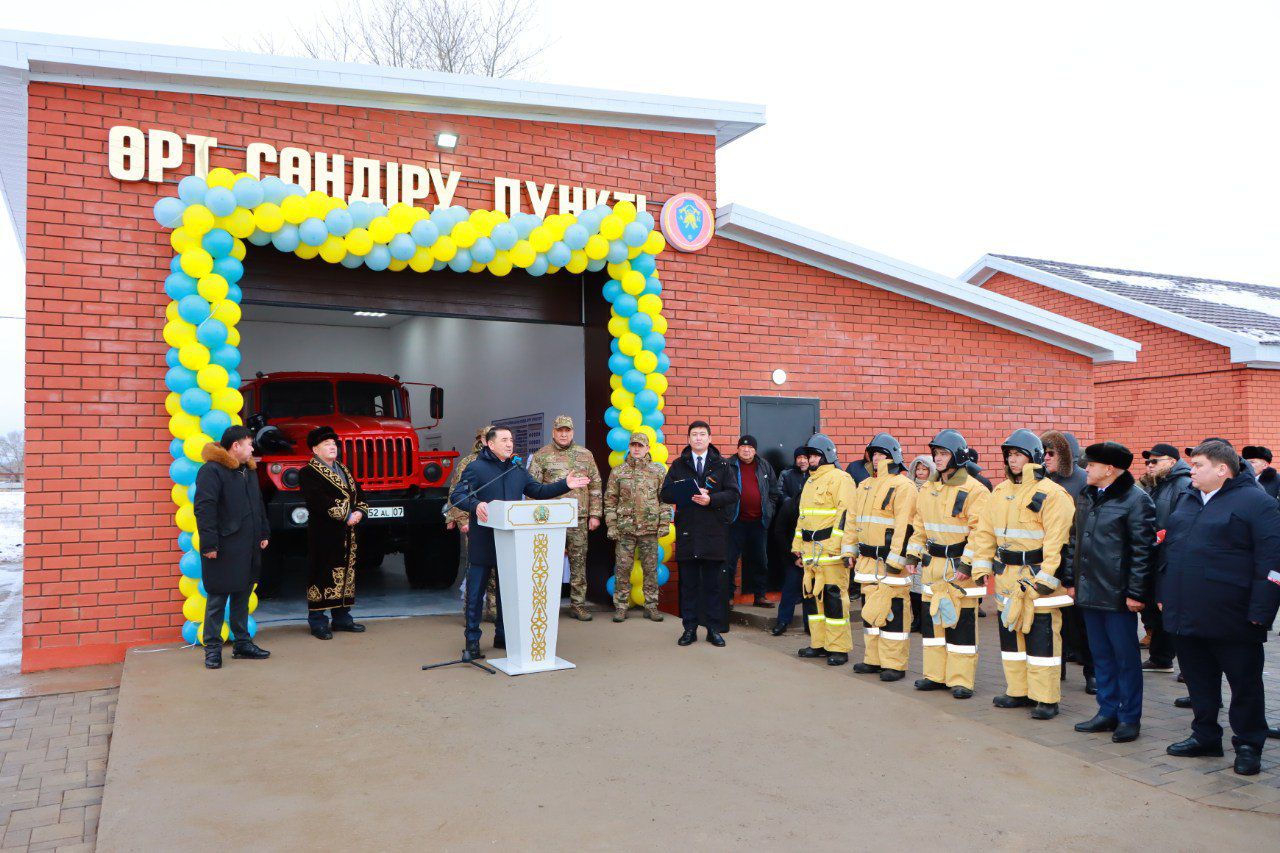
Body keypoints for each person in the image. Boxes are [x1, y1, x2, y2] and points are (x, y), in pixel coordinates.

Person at [1160, 439, 1280, 776]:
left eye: (1198, 466)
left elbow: (1271, 562)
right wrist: (1164, 592)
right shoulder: (1189, 498)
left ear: (1222, 469)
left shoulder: (1257, 503)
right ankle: (1205, 736)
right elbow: (1170, 549)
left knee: (1244, 684)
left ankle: (1248, 744)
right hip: (1186, 611)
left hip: (1234, 615)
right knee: (1199, 681)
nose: (1192, 472)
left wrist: (1261, 612)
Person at [450, 426, 588, 660]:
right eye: (504, 440)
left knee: (509, 593)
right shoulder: (476, 468)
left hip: (512, 543)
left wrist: (565, 484)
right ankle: (472, 641)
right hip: (484, 542)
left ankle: (503, 636)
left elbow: (539, 491)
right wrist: (476, 505)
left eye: (511, 440)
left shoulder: (517, 469)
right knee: (475, 594)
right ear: (490, 444)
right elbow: (458, 496)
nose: (509, 443)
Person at [970, 429, 1075, 719]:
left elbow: (1058, 542)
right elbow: (984, 533)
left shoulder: (1053, 494)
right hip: (1006, 577)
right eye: (1009, 455)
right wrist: (981, 566)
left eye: (1018, 454)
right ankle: (1018, 690)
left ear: (1034, 457)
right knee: (1011, 639)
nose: (1012, 460)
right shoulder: (1001, 491)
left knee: (1042, 640)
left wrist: (1047, 578)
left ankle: (1046, 698)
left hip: (1036, 578)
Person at [1070, 442, 1156, 744]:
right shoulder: (1087, 495)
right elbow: (1074, 541)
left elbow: (1142, 552)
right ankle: (1107, 711)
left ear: (1109, 469)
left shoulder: (1136, 500)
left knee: (1125, 658)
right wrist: (1072, 580)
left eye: (1090, 465)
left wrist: (1136, 593)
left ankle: (1129, 717)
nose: (1086, 469)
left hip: (1118, 595)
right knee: (1101, 655)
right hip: (1089, 590)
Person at [906, 430, 991, 699]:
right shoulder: (929, 488)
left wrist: (967, 565)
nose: (937, 459)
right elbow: (919, 525)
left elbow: (980, 532)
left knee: (961, 624)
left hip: (958, 568)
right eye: (936, 454)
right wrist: (912, 555)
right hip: (933, 566)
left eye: (943, 453)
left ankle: (961, 680)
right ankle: (935, 675)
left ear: (957, 456)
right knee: (934, 625)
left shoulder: (974, 490)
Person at [193, 425, 271, 669]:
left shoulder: (248, 471)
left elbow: (258, 504)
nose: (252, 448)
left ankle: (242, 644)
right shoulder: (211, 470)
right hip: (223, 546)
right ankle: (213, 649)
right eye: (249, 444)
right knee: (218, 597)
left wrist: (263, 531)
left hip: (248, 545)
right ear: (235, 446)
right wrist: (209, 544)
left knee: (242, 594)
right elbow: (204, 509)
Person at [845, 433, 918, 681]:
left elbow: (905, 526)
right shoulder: (864, 485)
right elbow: (852, 521)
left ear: (893, 456)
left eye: (882, 454)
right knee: (870, 611)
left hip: (889, 561)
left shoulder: (903, 485)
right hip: (867, 560)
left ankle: (894, 664)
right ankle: (873, 659)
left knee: (893, 613)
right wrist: (849, 550)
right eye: (873, 454)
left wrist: (897, 560)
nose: (876, 458)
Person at [660, 421, 739, 647]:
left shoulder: (722, 465)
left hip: (714, 533)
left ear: (710, 438)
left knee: (713, 585)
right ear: (688, 439)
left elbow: (733, 493)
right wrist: (688, 493)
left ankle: (713, 629)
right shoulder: (678, 465)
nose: (698, 438)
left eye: (702, 435)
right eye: (694, 435)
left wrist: (711, 499)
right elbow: (665, 494)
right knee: (689, 585)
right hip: (689, 533)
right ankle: (690, 629)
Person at [528, 415, 602, 622]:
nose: (563, 434)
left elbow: (595, 485)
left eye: (567, 430)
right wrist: (534, 517)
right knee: (547, 563)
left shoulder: (585, 455)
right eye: (560, 430)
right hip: (549, 519)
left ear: (572, 432)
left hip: (578, 518)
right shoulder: (541, 456)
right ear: (553, 432)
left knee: (579, 562)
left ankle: (577, 605)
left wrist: (595, 514)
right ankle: (546, 604)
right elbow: (531, 489)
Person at [298, 426, 369, 640]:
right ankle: (318, 621)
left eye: (334, 444)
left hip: (348, 534)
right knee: (322, 572)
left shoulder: (344, 470)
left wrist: (359, 512)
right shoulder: (308, 472)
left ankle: (342, 617)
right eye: (327, 444)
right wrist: (346, 514)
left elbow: (360, 494)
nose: (332, 447)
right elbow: (318, 500)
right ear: (315, 449)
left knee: (346, 573)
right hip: (324, 533)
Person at [793, 435, 856, 665]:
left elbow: (845, 516)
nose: (810, 459)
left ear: (827, 455)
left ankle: (838, 648)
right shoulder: (809, 482)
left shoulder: (842, 479)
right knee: (813, 600)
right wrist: (797, 547)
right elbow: (802, 517)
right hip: (810, 552)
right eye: (809, 456)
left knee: (834, 600)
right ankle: (818, 644)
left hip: (830, 551)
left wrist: (836, 547)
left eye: (815, 455)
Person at [1042, 429, 1092, 693]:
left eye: (1052, 453)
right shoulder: (1041, 481)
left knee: (1080, 622)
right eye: (1043, 453)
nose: (1046, 458)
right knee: (1051, 620)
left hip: (1075, 560)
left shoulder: (1083, 481)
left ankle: (1091, 672)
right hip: (1048, 560)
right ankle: (1056, 667)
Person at [603, 432, 672, 622]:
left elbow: (665, 500)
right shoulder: (618, 472)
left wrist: (665, 523)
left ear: (648, 448)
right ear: (629, 447)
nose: (636, 449)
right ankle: (621, 606)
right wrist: (612, 524)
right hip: (625, 529)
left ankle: (651, 606)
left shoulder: (657, 471)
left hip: (650, 529)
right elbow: (610, 500)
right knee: (623, 568)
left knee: (651, 569)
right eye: (634, 445)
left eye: (640, 446)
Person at [1140, 443, 1189, 674]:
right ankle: (1161, 657)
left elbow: (1180, 521)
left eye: (1154, 461)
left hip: (1169, 555)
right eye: (1148, 462)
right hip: (1155, 553)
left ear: (1171, 461)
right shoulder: (1159, 484)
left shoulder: (1182, 483)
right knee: (1154, 607)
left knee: (1167, 609)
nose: (1149, 465)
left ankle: (1181, 663)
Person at [446, 425, 496, 619]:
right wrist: (462, 520)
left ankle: (495, 611)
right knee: (476, 571)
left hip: (498, 525)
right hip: (475, 524)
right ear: (482, 440)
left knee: (496, 571)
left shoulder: (504, 462)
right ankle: (471, 612)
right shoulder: (469, 463)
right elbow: (456, 495)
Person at [725, 435, 780, 609]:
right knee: (730, 560)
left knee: (760, 560)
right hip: (735, 521)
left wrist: (769, 510)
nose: (746, 450)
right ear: (738, 449)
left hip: (759, 522)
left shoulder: (764, 465)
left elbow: (774, 491)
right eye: (742, 447)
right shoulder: (728, 465)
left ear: (755, 450)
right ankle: (728, 597)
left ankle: (760, 596)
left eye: (750, 448)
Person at [771, 447, 813, 636]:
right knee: (789, 590)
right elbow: (780, 532)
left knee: (811, 593)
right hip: (794, 556)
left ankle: (810, 626)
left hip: (815, 556)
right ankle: (782, 622)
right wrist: (793, 556)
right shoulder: (789, 506)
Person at [905, 454, 937, 632]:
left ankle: (927, 621)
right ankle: (916, 618)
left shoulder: (934, 489)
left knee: (925, 584)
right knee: (912, 584)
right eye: (918, 469)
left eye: (924, 469)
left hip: (927, 540)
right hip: (912, 538)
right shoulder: (908, 487)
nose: (921, 472)